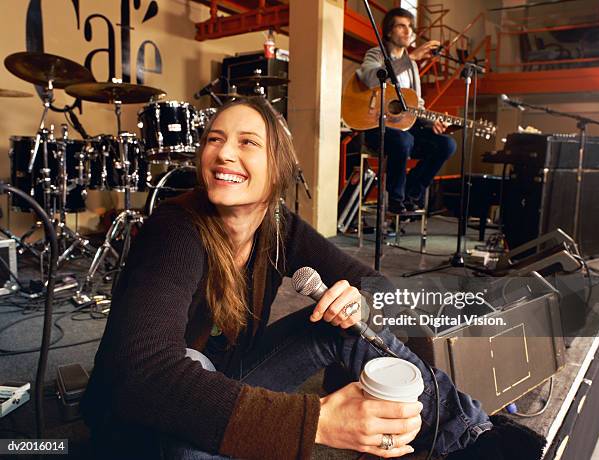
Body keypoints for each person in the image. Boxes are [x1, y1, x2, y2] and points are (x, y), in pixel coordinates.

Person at [81, 97, 525, 460]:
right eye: (214, 139)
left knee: (345, 323)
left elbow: (377, 286)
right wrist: (317, 421)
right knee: (193, 406)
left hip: (229, 377)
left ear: (278, 168)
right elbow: (145, 375)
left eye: (247, 142)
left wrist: (357, 302)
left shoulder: (278, 225)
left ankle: (470, 433)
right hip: (139, 417)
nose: (223, 152)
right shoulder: (174, 228)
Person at [356, 7, 457, 215]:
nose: (407, 31)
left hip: (406, 128)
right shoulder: (376, 54)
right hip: (378, 127)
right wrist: (409, 58)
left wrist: (432, 123)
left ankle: (411, 192)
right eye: (401, 26)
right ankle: (395, 199)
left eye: (410, 27)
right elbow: (370, 77)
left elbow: (416, 105)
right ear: (389, 31)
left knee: (447, 144)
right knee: (404, 140)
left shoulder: (412, 67)